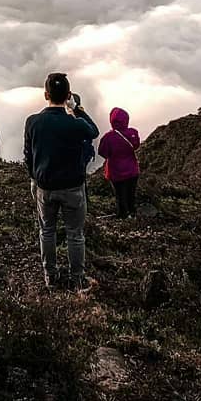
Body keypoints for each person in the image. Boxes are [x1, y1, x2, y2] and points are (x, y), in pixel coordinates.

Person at [23, 73, 99, 291]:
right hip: (73, 187)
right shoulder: (74, 124)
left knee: (47, 231)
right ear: (67, 96)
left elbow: (28, 154)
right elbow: (93, 131)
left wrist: (34, 177)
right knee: (75, 235)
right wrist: (76, 108)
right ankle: (77, 279)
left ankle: (51, 277)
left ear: (45, 94)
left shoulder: (33, 122)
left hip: (45, 186)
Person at [97, 107, 141, 219]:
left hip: (116, 172)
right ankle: (132, 213)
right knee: (131, 194)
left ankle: (122, 215)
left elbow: (102, 152)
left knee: (120, 195)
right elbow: (136, 146)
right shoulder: (133, 133)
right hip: (132, 170)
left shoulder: (108, 138)